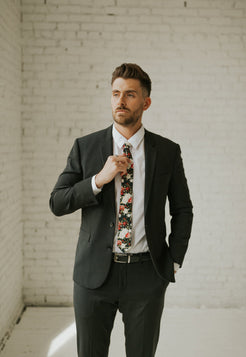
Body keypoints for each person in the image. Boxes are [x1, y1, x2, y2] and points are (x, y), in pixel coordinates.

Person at [49, 63, 193, 357]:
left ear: (146, 102)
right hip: (93, 275)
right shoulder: (85, 147)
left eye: (129, 94)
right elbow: (58, 202)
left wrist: (173, 261)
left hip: (146, 274)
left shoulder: (167, 151)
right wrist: (98, 180)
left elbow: (183, 209)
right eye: (115, 93)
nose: (120, 101)